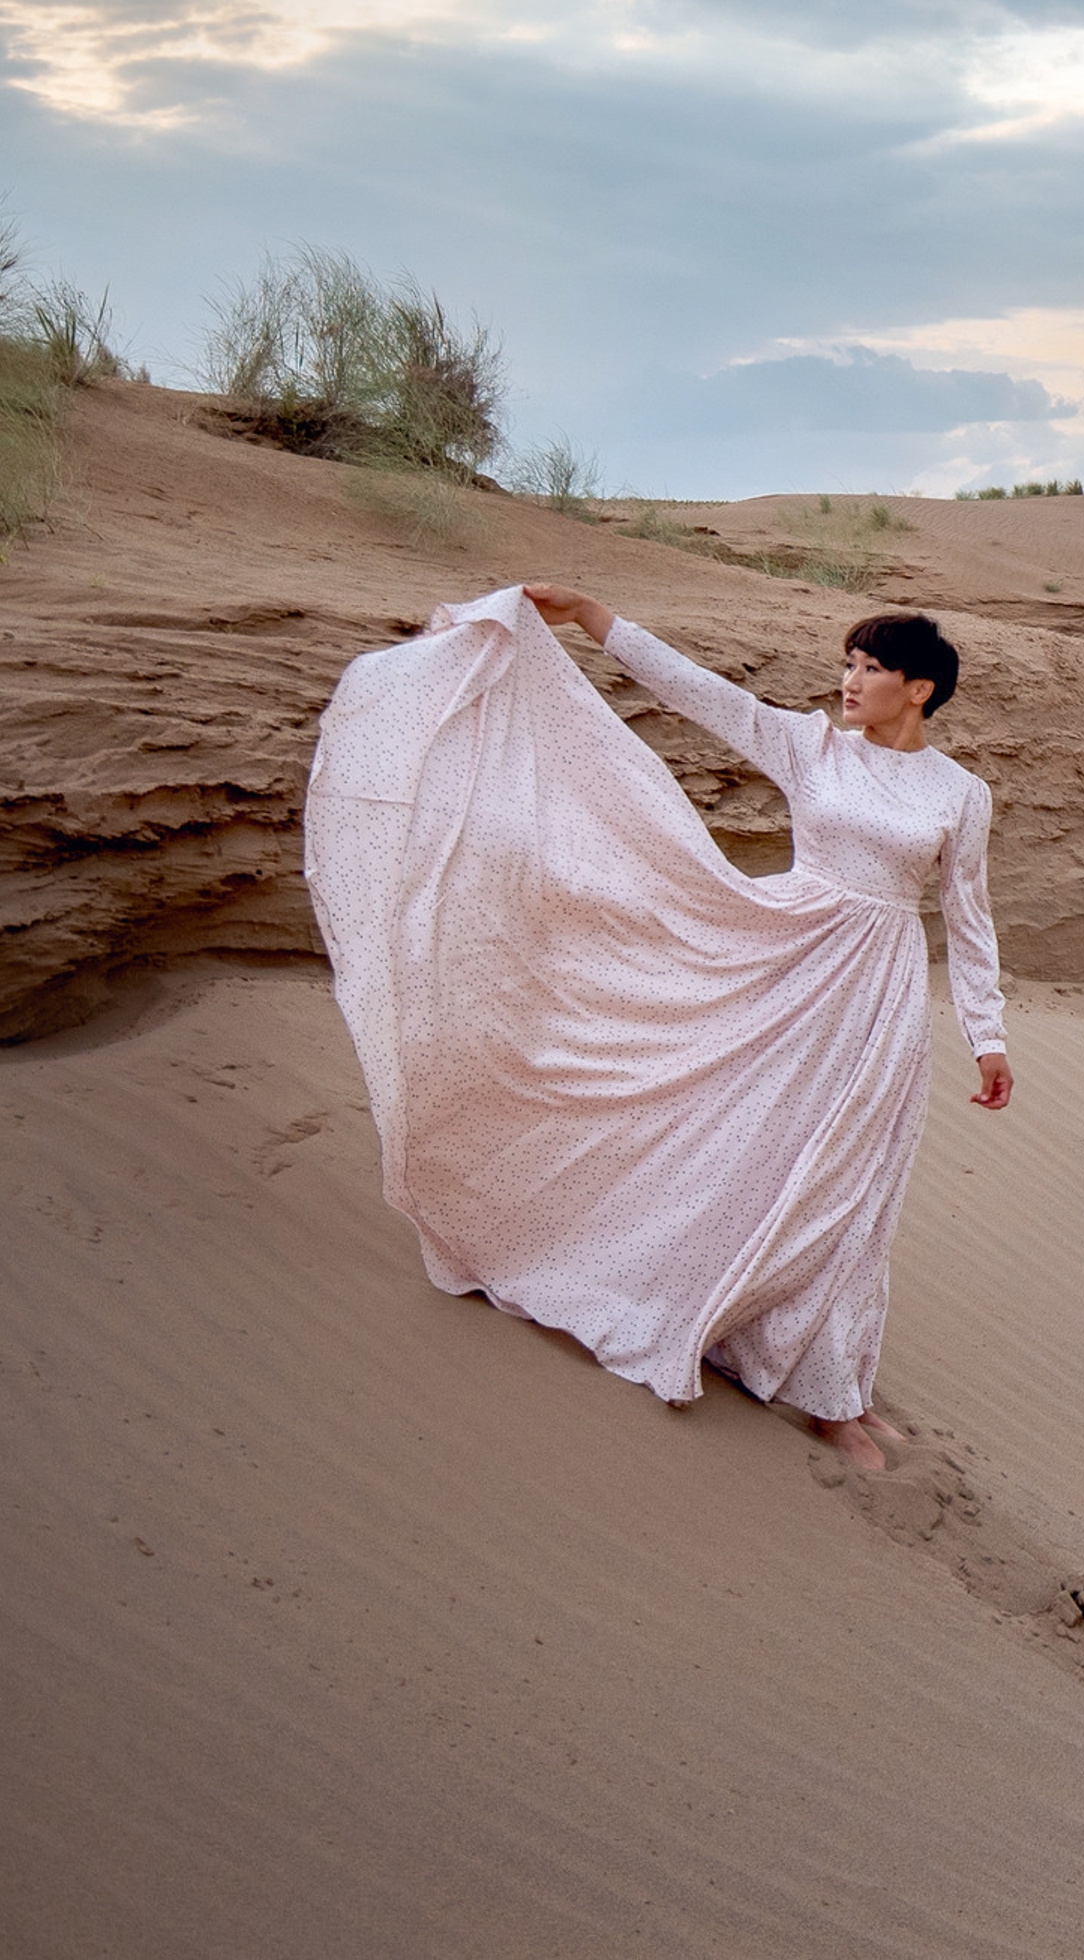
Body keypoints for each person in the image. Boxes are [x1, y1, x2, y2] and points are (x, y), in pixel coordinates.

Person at [303, 581, 1010, 1476]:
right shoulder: (811, 746)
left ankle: (840, 1391)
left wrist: (987, 1035)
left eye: (870, 667)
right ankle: (754, 1344)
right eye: (848, 663)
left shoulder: (962, 794)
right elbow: (698, 691)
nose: (849, 679)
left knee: (852, 1186)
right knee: (755, 1154)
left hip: (879, 996)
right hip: (781, 965)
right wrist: (595, 619)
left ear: (920, 689)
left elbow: (969, 918)